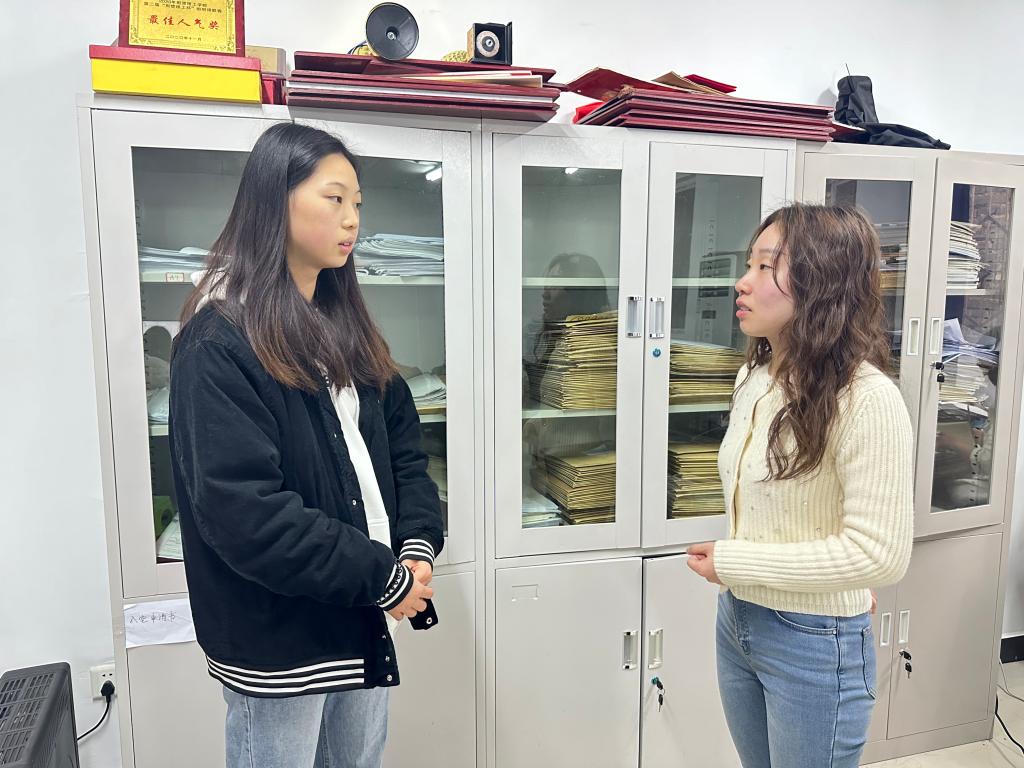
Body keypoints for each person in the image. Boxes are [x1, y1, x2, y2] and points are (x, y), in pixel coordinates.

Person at [168, 122, 442, 768]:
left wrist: (415, 545)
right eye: (334, 198)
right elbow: (246, 512)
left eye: (358, 204)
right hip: (282, 637)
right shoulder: (219, 341)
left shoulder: (343, 328)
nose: (352, 220)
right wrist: (383, 576)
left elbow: (404, 453)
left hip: (360, 614)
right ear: (275, 200)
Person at [685, 203, 914, 767]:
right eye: (750, 264)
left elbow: (880, 554)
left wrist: (735, 562)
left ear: (822, 283)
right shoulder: (754, 376)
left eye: (766, 267)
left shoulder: (868, 399)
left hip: (813, 640)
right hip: (739, 619)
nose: (742, 282)